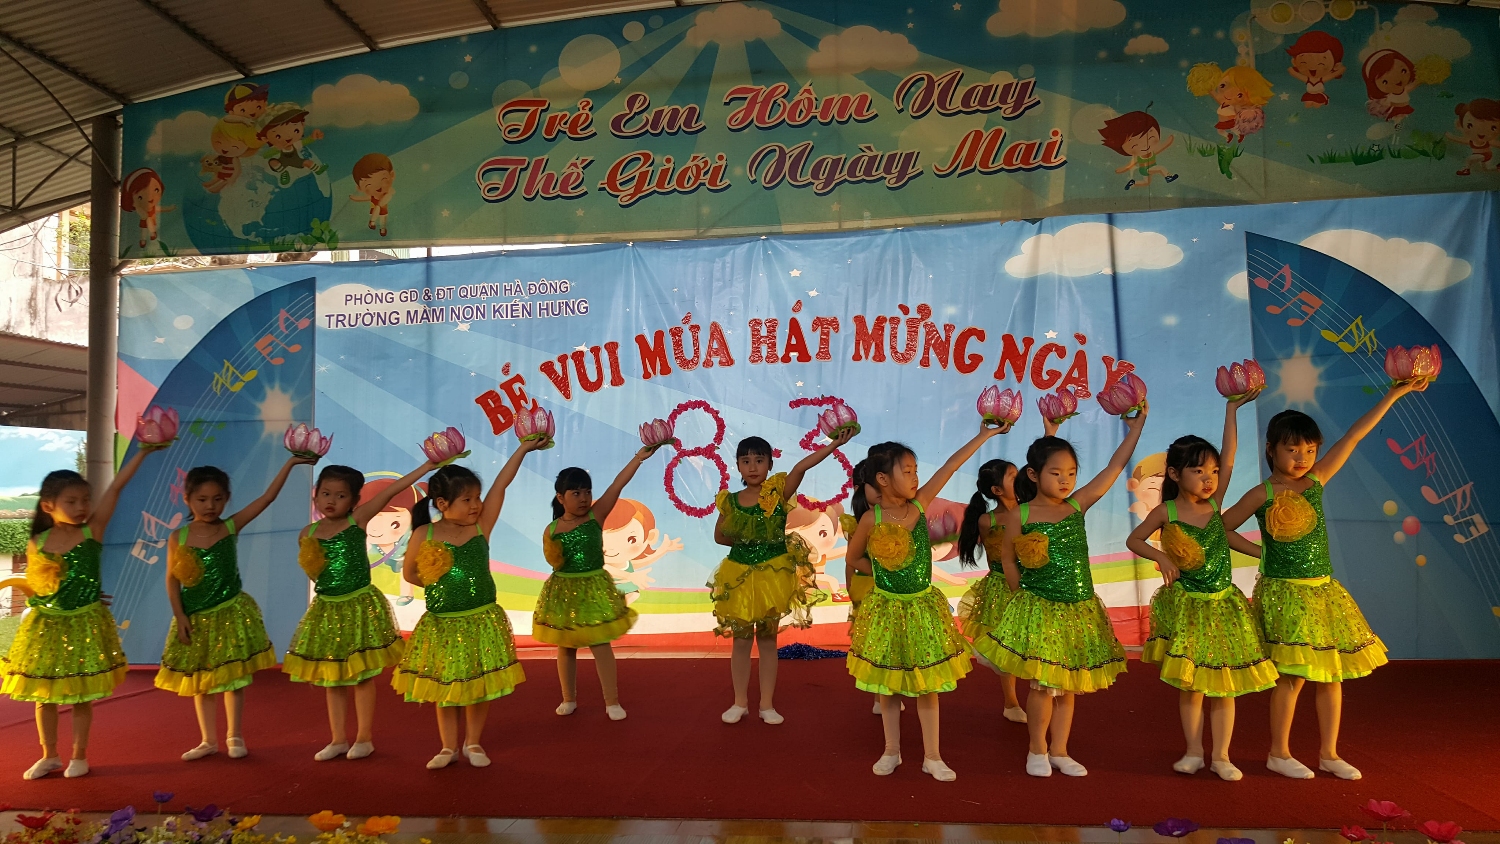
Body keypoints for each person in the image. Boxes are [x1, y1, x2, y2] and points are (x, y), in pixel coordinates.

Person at [1221, 380, 1428, 780]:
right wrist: (1263, 553)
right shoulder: (1262, 493)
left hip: (1323, 592)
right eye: (1292, 449)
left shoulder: (1316, 481)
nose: (1302, 457)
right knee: (1293, 676)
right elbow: (1223, 528)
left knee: (1331, 674)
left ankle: (1329, 754)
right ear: (1271, 449)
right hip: (1285, 593)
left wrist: (1393, 394)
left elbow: (1353, 436)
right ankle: (1279, 753)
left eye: (1310, 449)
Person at [991, 404, 1149, 777]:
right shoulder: (1021, 514)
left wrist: (1134, 430)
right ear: (1034, 475)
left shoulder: (1076, 506)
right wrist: (1019, 594)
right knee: (1043, 685)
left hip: (1078, 608)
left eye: (1072, 473)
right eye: (1056, 473)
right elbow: (1008, 558)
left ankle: (1060, 750)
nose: (1066, 480)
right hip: (1039, 609)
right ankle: (1037, 749)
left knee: (1069, 685)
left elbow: (1113, 468)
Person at [845, 423, 1007, 781]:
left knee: (928, 684)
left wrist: (984, 435)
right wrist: (883, 571)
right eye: (907, 471)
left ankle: (932, 756)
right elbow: (853, 558)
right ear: (883, 479)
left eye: (916, 470)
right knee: (889, 685)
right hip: (887, 609)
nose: (915, 477)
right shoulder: (872, 519)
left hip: (922, 608)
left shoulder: (919, 507)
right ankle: (891, 750)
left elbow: (950, 466)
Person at [1126, 391, 1275, 781]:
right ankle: (1193, 751)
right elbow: (1134, 540)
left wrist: (1231, 409)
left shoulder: (1215, 504)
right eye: (1198, 471)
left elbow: (1230, 456)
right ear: (1175, 475)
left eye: (1212, 472)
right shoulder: (1167, 511)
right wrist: (1162, 557)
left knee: (1224, 684)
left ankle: (1221, 756)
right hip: (1189, 609)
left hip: (1222, 606)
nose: (1209, 478)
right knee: (1191, 685)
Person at [3, 446, 162, 780]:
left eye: (85, 500)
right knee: (44, 695)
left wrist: (143, 453)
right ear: (48, 506)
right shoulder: (37, 541)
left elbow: (116, 487)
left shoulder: (93, 530)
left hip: (85, 624)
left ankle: (79, 755)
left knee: (81, 695)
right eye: (71, 501)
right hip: (47, 626)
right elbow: (40, 584)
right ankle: (49, 755)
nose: (81, 507)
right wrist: (54, 598)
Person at [391, 440, 543, 770]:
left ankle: (473, 742)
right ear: (442, 503)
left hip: (480, 619)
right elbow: (411, 574)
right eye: (468, 499)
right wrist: (439, 583)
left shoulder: (479, 527)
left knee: (477, 684)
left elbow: (501, 485)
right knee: (445, 685)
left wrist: (523, 450)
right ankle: (448, 747)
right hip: (443, 622)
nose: (476, 505)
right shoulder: (424, 533)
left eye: (477, 498)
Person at [157, 456, 316, 761]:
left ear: (227, 498)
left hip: (229, 613)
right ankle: (207, 740)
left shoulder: (230, 526)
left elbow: (267, 498)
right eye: (202, 499)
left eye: (218, 499)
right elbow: (172, 579)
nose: (210, 506)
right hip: (195, 618)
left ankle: (235, 735)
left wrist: (291, 463)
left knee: (233, 678)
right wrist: (180, 614)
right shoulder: (179, 537)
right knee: (201, 681)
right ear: (187, 499)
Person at [283, 456, 435, 761]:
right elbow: (314, 571)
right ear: (315, 496)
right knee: (333, 677)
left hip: (359, 607)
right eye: (326, 493)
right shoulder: (307, 534)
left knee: (362, 674)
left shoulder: (358, 520)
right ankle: (338, 739)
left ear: (354, 501)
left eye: (341, 495)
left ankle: (364, 738)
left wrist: (427, 467)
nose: (331, 501)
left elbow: (392, 491)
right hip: (328, 611)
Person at [710, 429, 855, 725]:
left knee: (766, 641)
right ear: (737, 466)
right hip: (739, 576)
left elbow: (801, 467)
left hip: (772, 578)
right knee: (740, 641)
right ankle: (739, 703)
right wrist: (749, 540)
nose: (753, 467)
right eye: (746, 461)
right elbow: (720, 536)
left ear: (770, 464)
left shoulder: (777, 494)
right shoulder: (730, 501)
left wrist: (834, 445)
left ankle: (766, 704)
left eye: (759, 460)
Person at [536, 444, 663, 720]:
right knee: (566, 646)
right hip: (564, 591)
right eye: (576, 493)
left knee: (600, 644)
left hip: (594, 589)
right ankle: (568, 698)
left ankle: (612, 701)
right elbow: (553, 561)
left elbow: (617, 485)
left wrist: (638, 458)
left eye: (587, 492)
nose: (583, 498)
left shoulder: (596, 516)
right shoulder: (552, 529)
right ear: (560, 497)